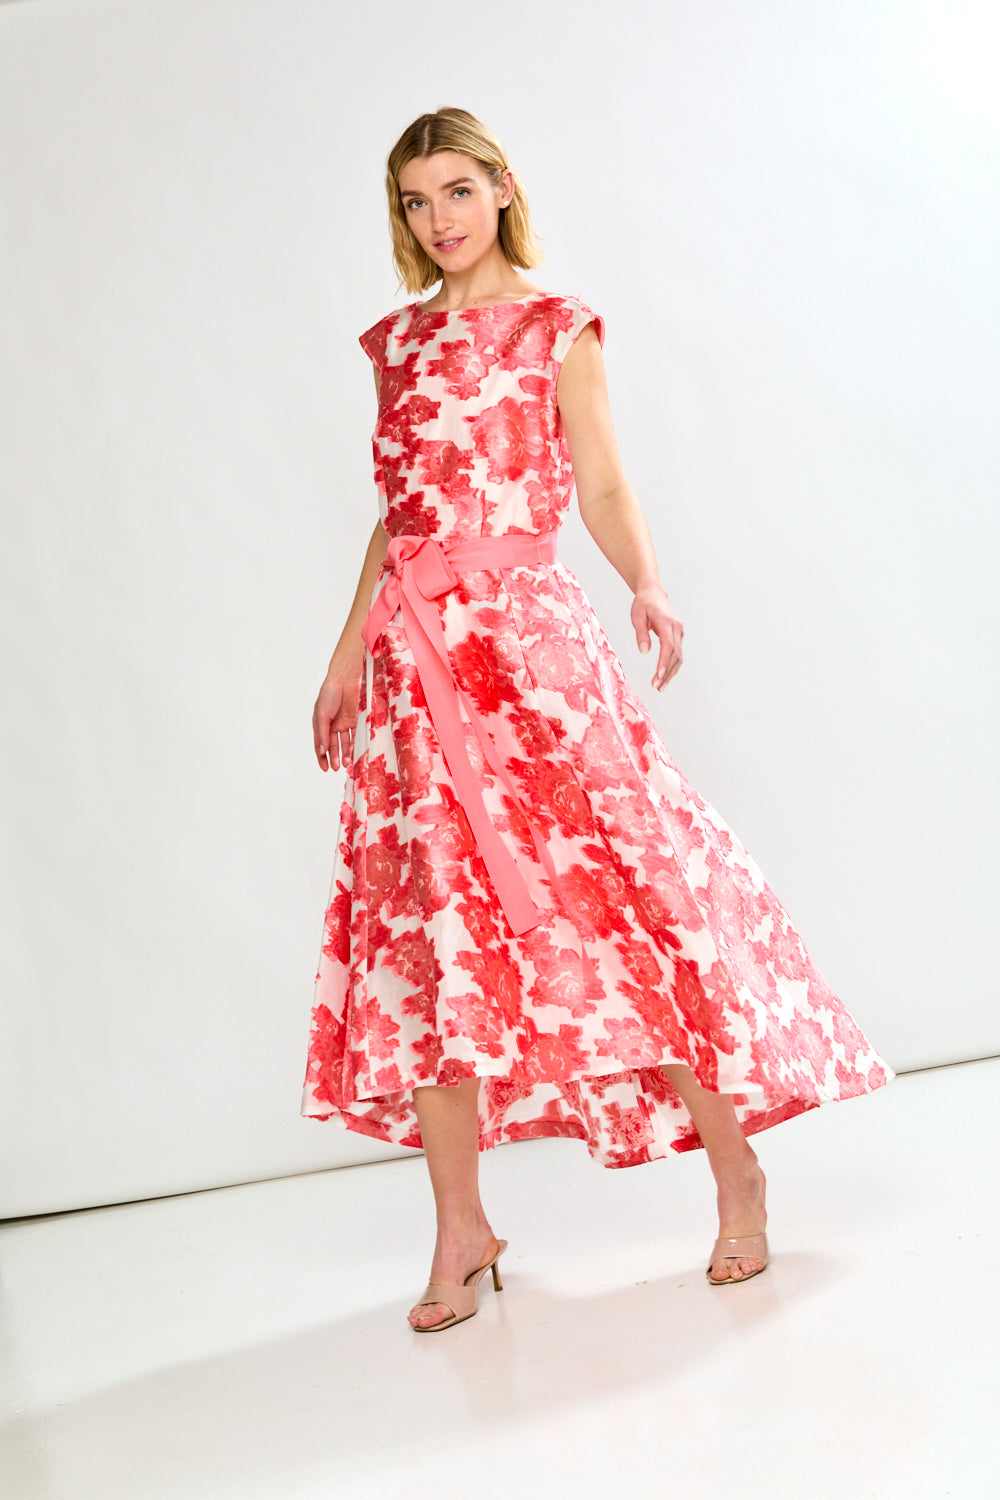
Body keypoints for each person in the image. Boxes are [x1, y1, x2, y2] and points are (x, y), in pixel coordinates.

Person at [301, 106, 894, 1332]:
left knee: (628, 901)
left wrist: (648, 582)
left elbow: (603, 477)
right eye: (414, 201)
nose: (437, 220)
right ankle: (460, 1227)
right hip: (417, 665)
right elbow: (396, 512)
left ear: (503, 189)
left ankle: (735, 1169)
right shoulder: (395, 343)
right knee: (433, 932)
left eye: (456, 190)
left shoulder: (554, 327)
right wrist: (346, 649)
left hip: (529, 647)